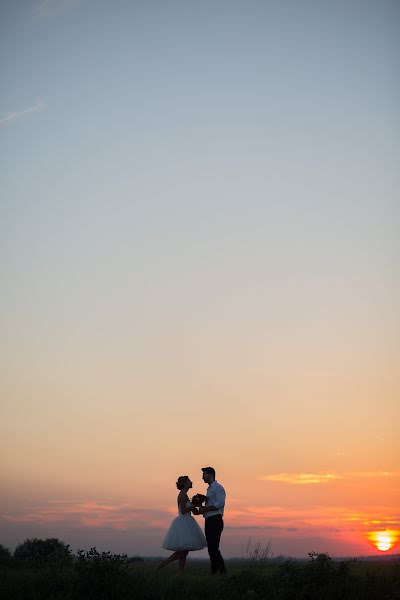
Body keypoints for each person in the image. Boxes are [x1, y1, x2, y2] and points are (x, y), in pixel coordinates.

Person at [157, 475, 206, 572]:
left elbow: (195, 512)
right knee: (184, 550)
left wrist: (199, 506)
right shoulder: (182, 495)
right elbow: (183, 511)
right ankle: (163, 563)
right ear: (185, 484)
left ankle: (180, 573)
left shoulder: (186, 495)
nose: (191, 482)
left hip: (187, 521)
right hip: (184, 522)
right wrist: (193, 506)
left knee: (184, 551)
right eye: (189, 481)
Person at [192, 466, 227, 575]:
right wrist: (199, 509)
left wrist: (205, 508)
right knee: (211, 548)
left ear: (210, 474)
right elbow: (210, 507)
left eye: (204, 474)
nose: (202, 477)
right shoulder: (210, 489)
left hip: (215, 521)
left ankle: (222, 572)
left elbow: (220, 504)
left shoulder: (218, 488)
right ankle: (215, 571)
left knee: (213, 547)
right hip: (209, 521)